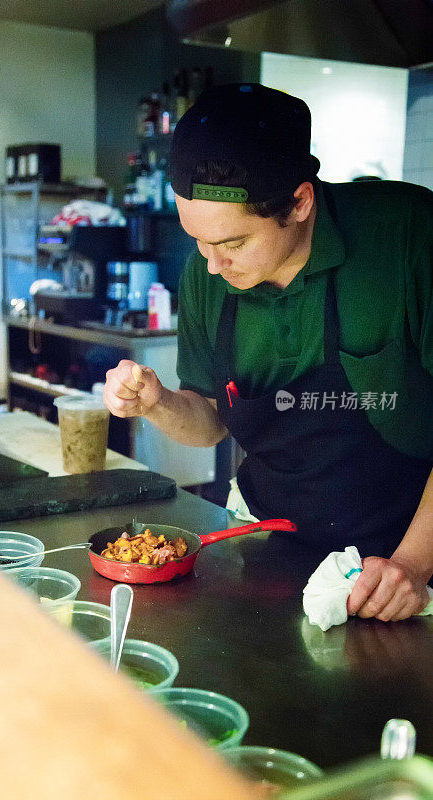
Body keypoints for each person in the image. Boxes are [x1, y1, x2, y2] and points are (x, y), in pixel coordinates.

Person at [104, 83, 433, 622]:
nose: (211, 266)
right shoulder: (207, 274)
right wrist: (157, 402)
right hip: (264, 543)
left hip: (400, 562)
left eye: (232, 245)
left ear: (300, 202)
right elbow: (210, 421)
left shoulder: (407, 238)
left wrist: (413, 564)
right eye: (198, 243)